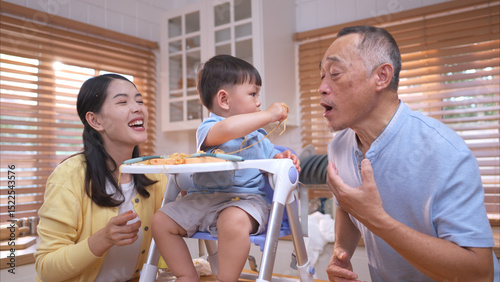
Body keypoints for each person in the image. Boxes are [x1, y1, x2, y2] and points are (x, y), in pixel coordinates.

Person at [319, 26, 499, 281]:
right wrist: (340, 252)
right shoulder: (338, 146)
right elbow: (347, 205)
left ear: (381, 76)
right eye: (321, 75)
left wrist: (376, 219)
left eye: (335, 73)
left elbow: (479, 273)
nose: (322, 87)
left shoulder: (445, 150)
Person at [151, 54, 300, 282]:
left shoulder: (260, 138)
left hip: (246, 202)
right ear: (224, 100)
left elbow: (273, 162)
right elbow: (227, 129)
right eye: (253, 94)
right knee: (160, 221)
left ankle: (226, 279)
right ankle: (185, 275)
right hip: (203, 198)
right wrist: (268, 115)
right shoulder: (209, 129)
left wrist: (283, 157)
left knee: (232, 220)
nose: (259, 102)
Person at [35, 74, 167, 282]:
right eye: (123, 102)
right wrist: (103, 239)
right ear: (95, 120)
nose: (137, 108)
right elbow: (46, 268)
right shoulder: (68, 177)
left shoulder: (154, 175)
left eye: (139, 101)